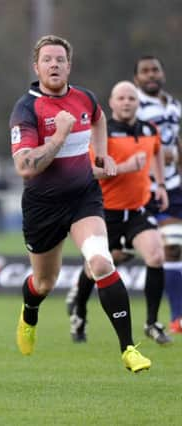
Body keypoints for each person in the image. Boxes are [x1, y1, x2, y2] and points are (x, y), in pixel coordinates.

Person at [9, 35, 150, 372]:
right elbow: (23, 165)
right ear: (37, 67)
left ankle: (129, 349)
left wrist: (101, 155)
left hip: (83, 199)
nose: (54, 65)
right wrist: (58, 136)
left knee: (101, 262)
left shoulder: (85, 98)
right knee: (44, 283)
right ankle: (29, 314)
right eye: (47, 60)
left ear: (69, 65)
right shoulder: (26, 109)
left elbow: (99, 118)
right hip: (42, 207)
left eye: (60, 59)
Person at [66, 81, 171, 345]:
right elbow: (90, 170)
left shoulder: (149, 129)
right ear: (111, 103)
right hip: (105, 213)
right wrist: (126, 167)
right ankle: (79, 312)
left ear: (138, 103)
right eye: (121, 98)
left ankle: (152, 322)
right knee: (95, 267)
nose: (126, 102)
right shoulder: (102, 133)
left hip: (137, 211)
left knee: (157, 255)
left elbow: (157, 153)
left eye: (131, 98)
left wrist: (160, 184)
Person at [133, 55, 182, 334]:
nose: (151, 75)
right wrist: (155, 153)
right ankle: (81, 290)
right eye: (145, 71)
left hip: (171, 187)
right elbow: (128, 142)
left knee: (173, 247)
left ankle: (177, 316)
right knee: (120, 253)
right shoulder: (134, 105)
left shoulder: (174, 105)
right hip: (140, 189)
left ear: (162, 73)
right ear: (137, 78)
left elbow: (175, 141)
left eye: (155, 69)